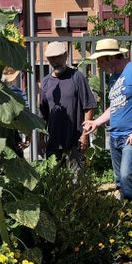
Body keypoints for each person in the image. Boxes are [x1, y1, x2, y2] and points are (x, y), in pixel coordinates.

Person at [82, 38, 132, 206]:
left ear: (110, 58)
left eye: (100, 61)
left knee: (126, 175)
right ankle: (127, 214)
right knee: (120, 181)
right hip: (115, 137)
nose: (99, 66)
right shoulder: (113, 78)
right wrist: (96, 122)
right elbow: (115, 106)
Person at [39, 41, 97, 173]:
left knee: (76, 179)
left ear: (65, 56)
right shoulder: (46, 82)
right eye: (51, 58)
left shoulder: (76, 77)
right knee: (54, 179)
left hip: (75, 140)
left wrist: (84, 135)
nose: (55, 61)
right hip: (53, 142)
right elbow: (43, 114)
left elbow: (89, 107)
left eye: (58, 57)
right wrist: (41, 139)